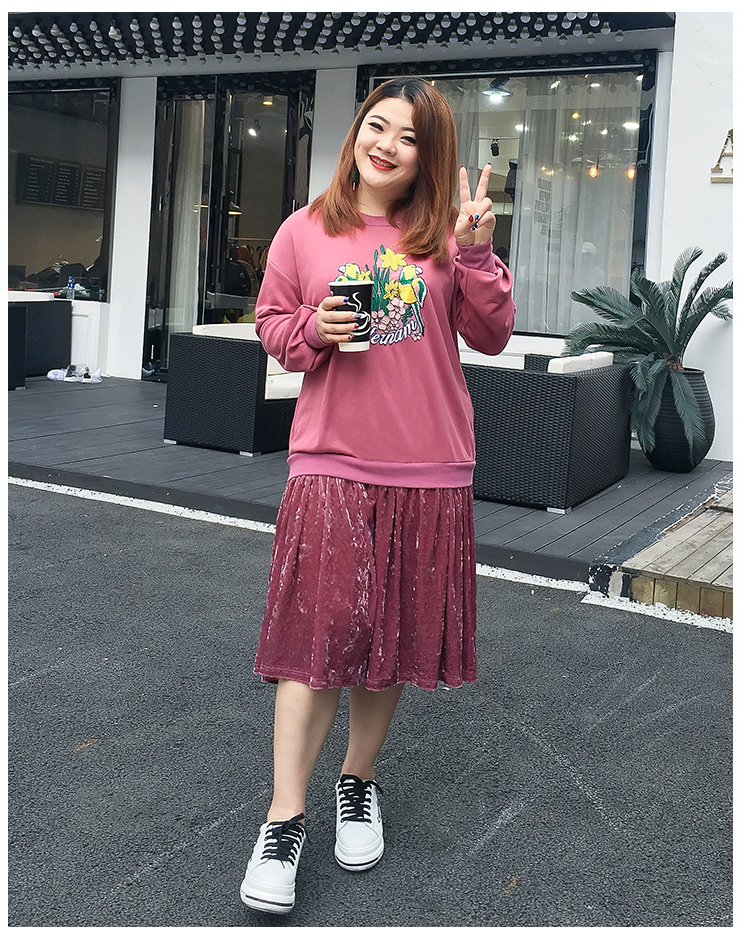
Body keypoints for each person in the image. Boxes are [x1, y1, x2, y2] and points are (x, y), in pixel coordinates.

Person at [239, 76, 515, 915]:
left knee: (387, 635)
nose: (387, 145)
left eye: (410, 137)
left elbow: (491, 334)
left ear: (429, 157)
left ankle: (357, 781)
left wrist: (477, 253)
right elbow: (273, 324)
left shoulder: (446, 238)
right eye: (377, 125)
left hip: (429, 465)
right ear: (356, 131)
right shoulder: (304, 229)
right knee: (318, 635)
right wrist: (311, 330)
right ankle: (285, 817)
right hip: (329, 459)